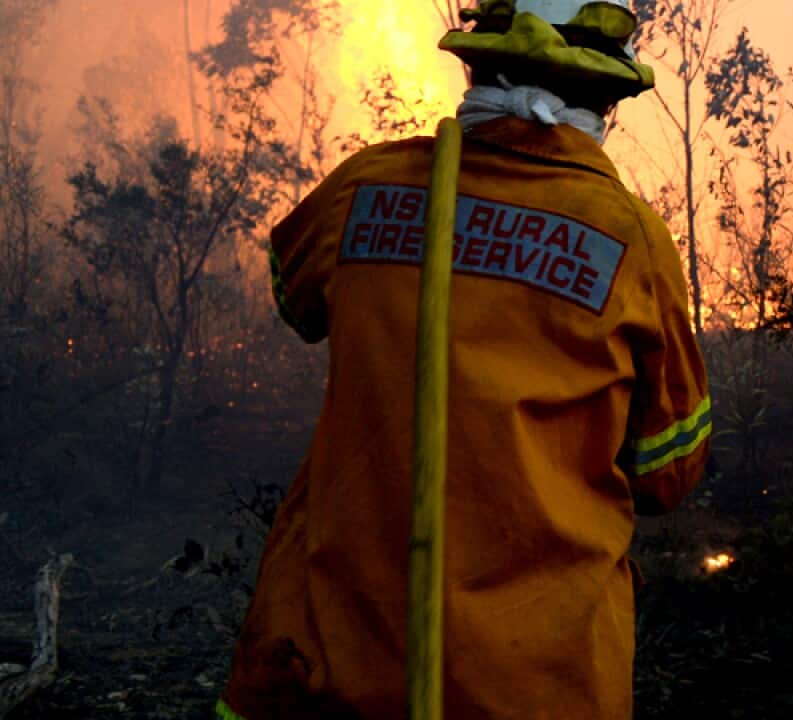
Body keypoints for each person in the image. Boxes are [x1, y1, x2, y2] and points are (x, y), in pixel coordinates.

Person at [216, 1, 710, 717]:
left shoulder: (363, 187)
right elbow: (668, 467)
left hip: (326, 661)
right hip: (536, 681)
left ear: (477, 66)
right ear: (603, 97)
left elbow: (297, 302)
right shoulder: (629, 236)